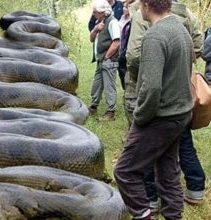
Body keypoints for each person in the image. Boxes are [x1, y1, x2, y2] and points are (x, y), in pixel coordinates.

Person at [113, 0, 194, 219]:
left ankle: (143, 215)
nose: (138, 8)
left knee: (125, 172)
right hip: (180, 115)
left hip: (160, 117)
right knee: (168, 174)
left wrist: (140, 117)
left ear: (147, 5)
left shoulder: (154, 36)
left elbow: (151, 87)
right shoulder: (181, 29)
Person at [88, 0, 121, 122]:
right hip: (100, 60)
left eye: (95, 12)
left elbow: (117, 42)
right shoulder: (99, 21)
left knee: (109, 86)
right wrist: (96, 29)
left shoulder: (113, 22)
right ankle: (93, 107)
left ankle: (110, 112)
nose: (93, 14)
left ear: (103, 12)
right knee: (96, 85)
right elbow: (91, 39)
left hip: (108, 60)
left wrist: (107, 57)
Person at [117, 0, 134, 90]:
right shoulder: (122, 19)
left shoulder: (133, 21)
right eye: (124, 6)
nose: (124, 9)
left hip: (129, 50)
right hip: (121, 49)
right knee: (121, 71)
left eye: (127, 7)